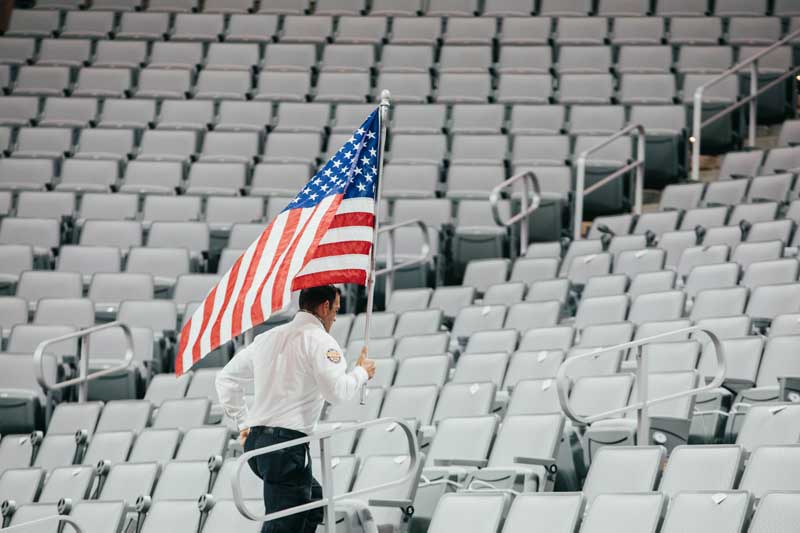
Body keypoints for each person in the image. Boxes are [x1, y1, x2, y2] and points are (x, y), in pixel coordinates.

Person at [215, 285, 376, 533]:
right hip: (286, 448)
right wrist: (361, 373)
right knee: (284, 524)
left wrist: (243, 422)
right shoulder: (321, 341)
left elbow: (225, 379)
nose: (335, 316)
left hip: (257, 445)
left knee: (313, 503)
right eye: (335, 309)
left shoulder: (267, 338)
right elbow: (337, 393)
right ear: (324, 307)